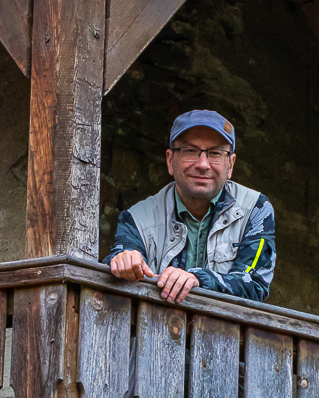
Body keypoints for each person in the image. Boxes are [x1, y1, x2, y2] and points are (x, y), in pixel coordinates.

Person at [104, 110, 276, 304]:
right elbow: (116, 263)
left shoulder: (255, 209)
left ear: (230, 165)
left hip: (222, 333)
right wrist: (122, 260)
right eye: (190, 151)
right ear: (170, 160)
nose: (203, 164)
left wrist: (198, 279)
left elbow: (254, 283)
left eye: (215, 153)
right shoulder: (136, 218)